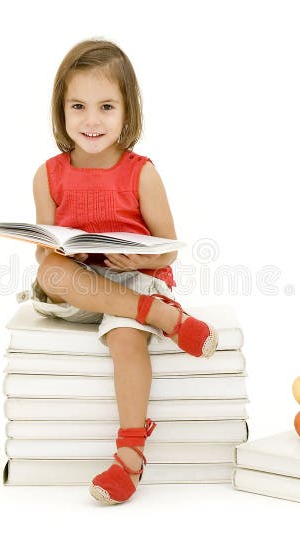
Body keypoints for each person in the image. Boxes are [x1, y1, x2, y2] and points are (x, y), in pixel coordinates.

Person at [28, 39, 217, 504]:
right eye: (79, 106)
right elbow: (46, 250)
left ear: (127, 113)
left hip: (130, 280)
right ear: (61, 111)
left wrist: (142, 260)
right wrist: (60, 255)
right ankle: (158, 315)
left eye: (106, 107)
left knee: (126, 339)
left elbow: (168, 249)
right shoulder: (48, 174)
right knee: (49, 272)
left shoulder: (141, 173)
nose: (91, 120)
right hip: (80, 286)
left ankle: (129, 457)